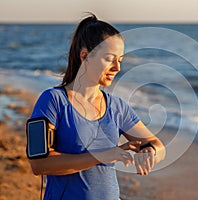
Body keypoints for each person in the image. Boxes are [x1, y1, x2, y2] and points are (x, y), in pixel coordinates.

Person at [28, 13, 166, 200]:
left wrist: (150, 152)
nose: (117, 68)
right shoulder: (52, 100)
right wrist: (103, 155)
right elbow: (38, 164)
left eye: (120, 60)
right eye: (110, 59)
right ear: (85, 56)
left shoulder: (117, 107)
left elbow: (158, 146)